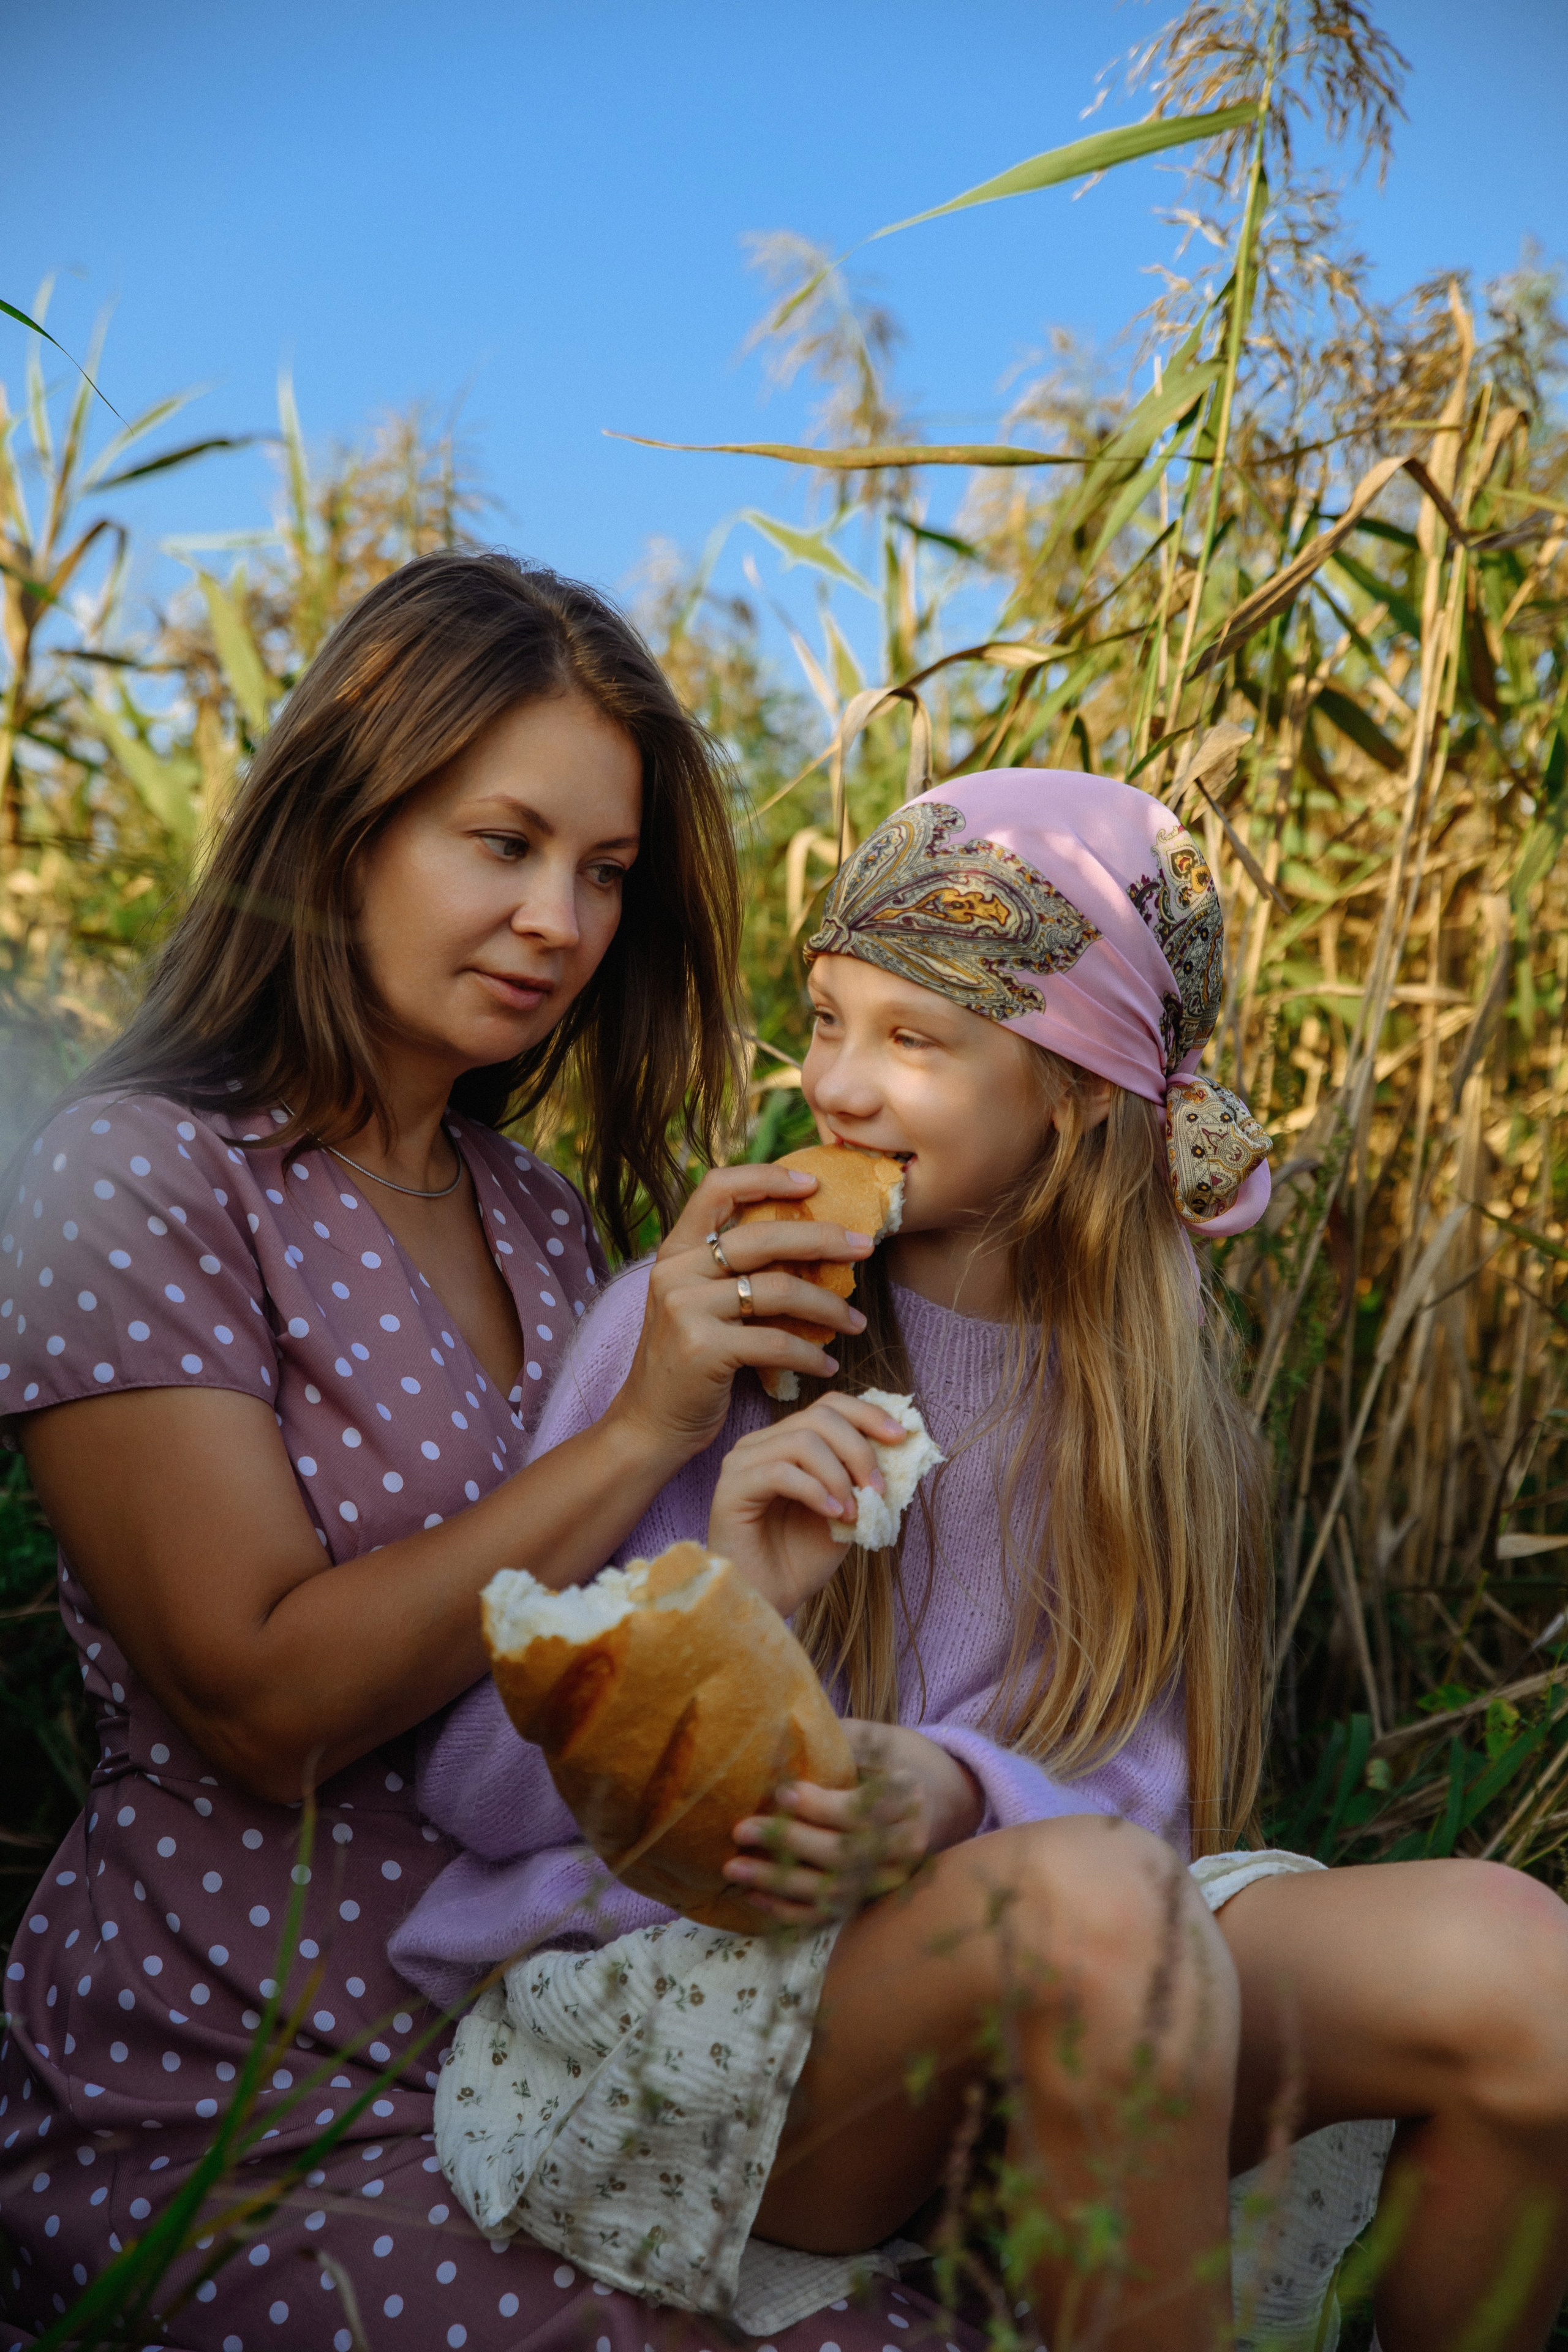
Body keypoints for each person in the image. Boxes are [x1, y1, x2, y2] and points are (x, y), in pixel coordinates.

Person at [397, 773, 1568, 2352]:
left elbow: (1149, 1797)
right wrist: (726, 1609)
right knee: (1086, 1904)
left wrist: (955, 1793)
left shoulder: (1141, 1396)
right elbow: (470, 1781)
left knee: (1526, 1976)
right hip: (707, 2022)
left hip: (1073, 1972)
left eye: (915, 1041)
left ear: (1077, 1093)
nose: (839, 1086)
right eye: (826, 1019)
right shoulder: (712, 1325)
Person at [0, 551, 911, 2352]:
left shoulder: (540, 1217)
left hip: (557, 2037)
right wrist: (643, 1414)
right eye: (501, 844)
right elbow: (258, 1704)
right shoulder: (140, 1181)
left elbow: (600, 1669)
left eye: (603, 875)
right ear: (342, 827)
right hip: (233, 2066)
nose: (562, 925)